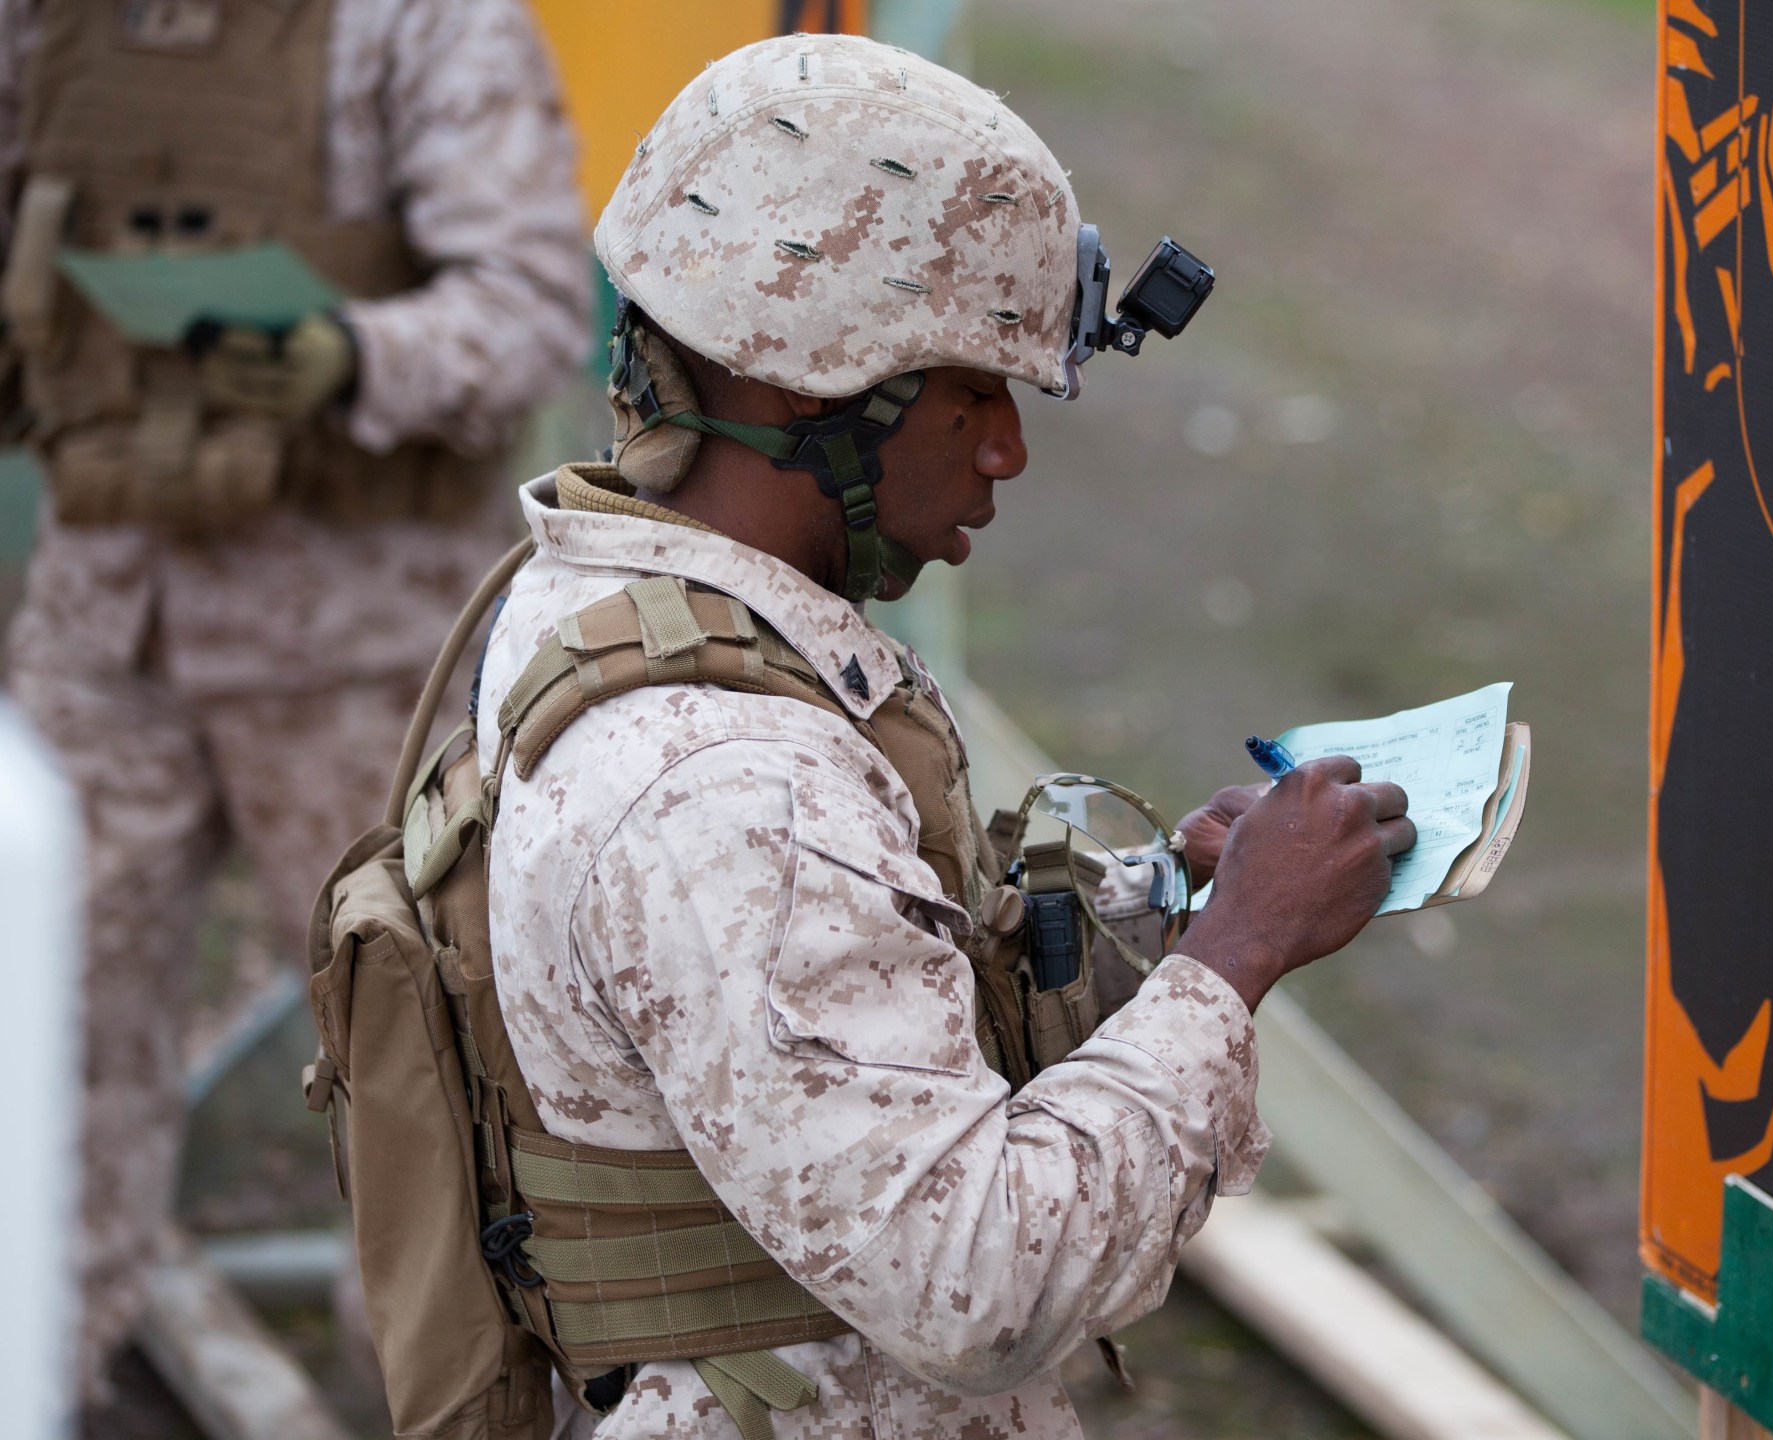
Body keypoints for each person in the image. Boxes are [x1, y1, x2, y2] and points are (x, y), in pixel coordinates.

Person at [468, 32, 1415, 1439]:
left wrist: (1159, 916)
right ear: (808, 384)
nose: (1006, 453)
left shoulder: (598, 594)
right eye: (976, 394)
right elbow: (978, 1288)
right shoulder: (728, 782)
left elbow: (849, 1011)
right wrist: (1239, 956)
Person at [0, 0, 592, 1408]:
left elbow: (527, 310)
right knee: (39, 1045)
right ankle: (35, 1369)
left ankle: (443, 1410)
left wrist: (349, 355)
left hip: (355, 651)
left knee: (423, 1092)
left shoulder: (425, 26)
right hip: (106, 614)